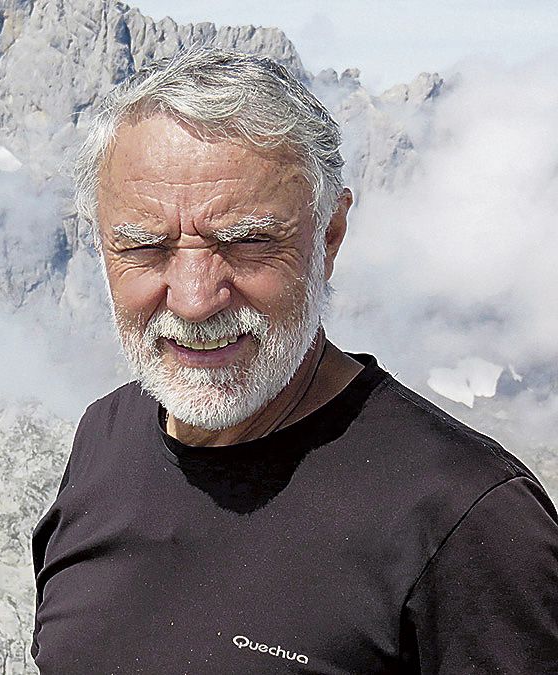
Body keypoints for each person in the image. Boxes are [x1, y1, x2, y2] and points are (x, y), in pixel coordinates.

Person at [30, 48, 558, 673]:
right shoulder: (104, 439)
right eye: (146, 247)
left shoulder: (466, 517)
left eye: (248, 243)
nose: (196, 300)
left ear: (330, 235)